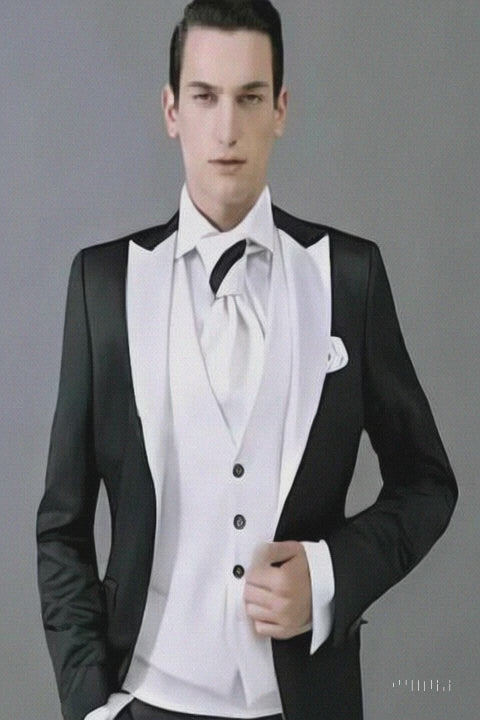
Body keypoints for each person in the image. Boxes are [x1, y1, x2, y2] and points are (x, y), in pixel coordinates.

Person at [36, 2, 457, 720]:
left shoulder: (348, 277)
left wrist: (327, 574)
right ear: (172, 110)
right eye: (204, 97)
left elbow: (427, 483)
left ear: (280, 109)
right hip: (143, 701)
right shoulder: (102, 286)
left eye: (250, 98)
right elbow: (62, 527)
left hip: (305, 704)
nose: (227, 128)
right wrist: (89, 708)